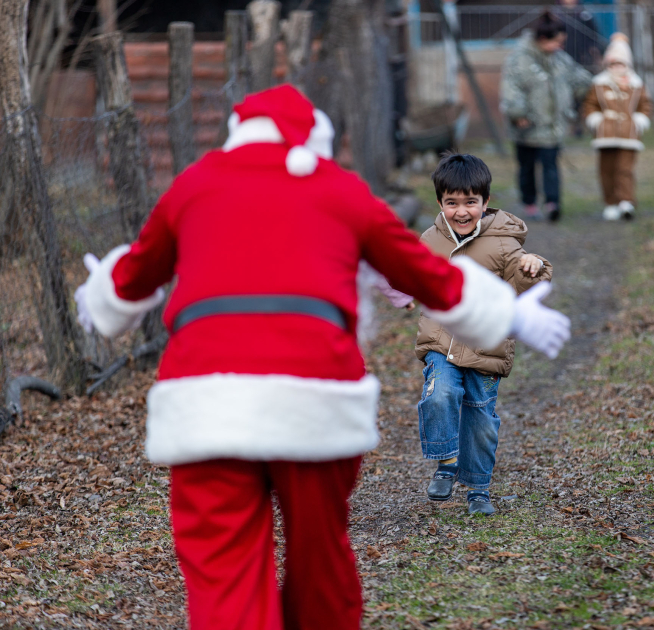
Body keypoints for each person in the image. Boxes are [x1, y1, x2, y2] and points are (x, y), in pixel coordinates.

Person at [72, 85, 571, 630]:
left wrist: (99, 294)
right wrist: (512, 316)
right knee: (321, 561)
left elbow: (125, 288)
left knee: (223, 572)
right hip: (316, 396)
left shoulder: (195, 184)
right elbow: (421, 271)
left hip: (204, 400)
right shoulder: (340, 190)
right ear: (317, 140)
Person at [414, 153, 552, 515]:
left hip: (487, 346)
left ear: (485, 202)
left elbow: (523, 287)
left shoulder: (503, 242)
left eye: (470, 202)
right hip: (441, 342)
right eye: (452, 203)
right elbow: (412, 274)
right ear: (441, 202)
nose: (461, 212)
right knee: (439, 394)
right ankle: (446, 461)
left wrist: (531, 268)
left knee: (479, 419)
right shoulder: (430, 240)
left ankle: (478, 490)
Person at [500, 11, 592, 222]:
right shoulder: (519, 59)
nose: (561, 46)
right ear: (543, 39)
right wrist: (518, 113)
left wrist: (595, 86)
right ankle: (530, 202)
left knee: (551, 165)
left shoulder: (560, 59)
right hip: (527, 126)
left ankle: (553, 203)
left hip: (552, 126)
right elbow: (511, 88)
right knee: (527, 167)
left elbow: (578, 78)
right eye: (558, 42)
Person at [582, 33, 653, 221]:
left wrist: (639, 120)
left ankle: (626, 201)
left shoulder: (636, 85)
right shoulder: (599, 85)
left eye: (620, 64)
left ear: (627, 65)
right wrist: (596, 120)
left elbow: (645, 105)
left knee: (625, 169)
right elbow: (590, 106)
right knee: (606, 170)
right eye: (612, 64)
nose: (616, 68)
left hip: (629, 136)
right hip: (605, 135)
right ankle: (610, 202)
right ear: (607, 65)